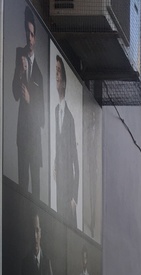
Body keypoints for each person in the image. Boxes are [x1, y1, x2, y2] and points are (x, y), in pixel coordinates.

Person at [12, 6, 45, 198]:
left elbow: (42, 119)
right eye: (27, 33)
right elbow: (15, 94)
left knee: (36, 189)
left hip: (35, 140)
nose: (29, 39)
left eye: (32, 35)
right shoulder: (19, 56)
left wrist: (30, 100)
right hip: (22, 135)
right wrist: (20, 72)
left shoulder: (39, 75)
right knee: (22, 185)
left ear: (36, 37)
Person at [54, 55, 79, 227]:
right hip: (59, 186)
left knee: (69, 229)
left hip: (68, 190)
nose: (56, 76)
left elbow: (76, 163)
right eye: (55, 72)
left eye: (58, 72)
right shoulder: (56, 111)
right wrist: (55, 163)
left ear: (64, 81)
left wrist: (74, 198)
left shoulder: (70, 119)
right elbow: (58, 144)